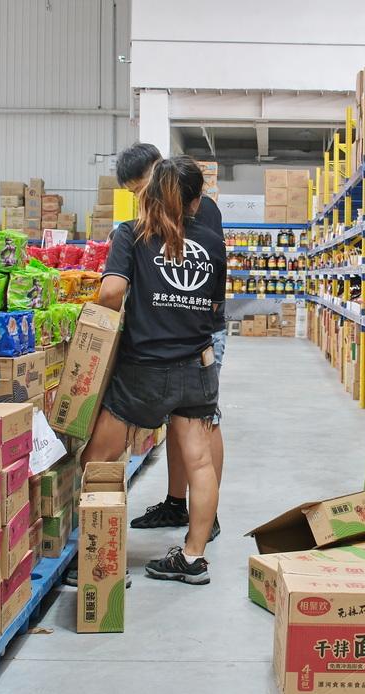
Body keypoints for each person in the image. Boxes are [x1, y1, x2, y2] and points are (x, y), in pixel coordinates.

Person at [81, 156, 226, 585]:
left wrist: (94, 319)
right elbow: (216, 306)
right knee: (200, 464)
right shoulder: (214, 242)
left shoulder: (133, 233)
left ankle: (100, 560)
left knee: (100, 460)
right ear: (196, 201)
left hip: (143, 368)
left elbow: (111, 291)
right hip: (196, 368)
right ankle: (194, 556)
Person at [114, 143, 226, 542]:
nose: (140, 197)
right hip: (178, 330)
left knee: (202, 425)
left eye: (141, 187)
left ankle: (204, 514)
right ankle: (180, 504)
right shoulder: (151, 217)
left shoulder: (197, 209)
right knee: (185, 423)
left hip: (194, 336)